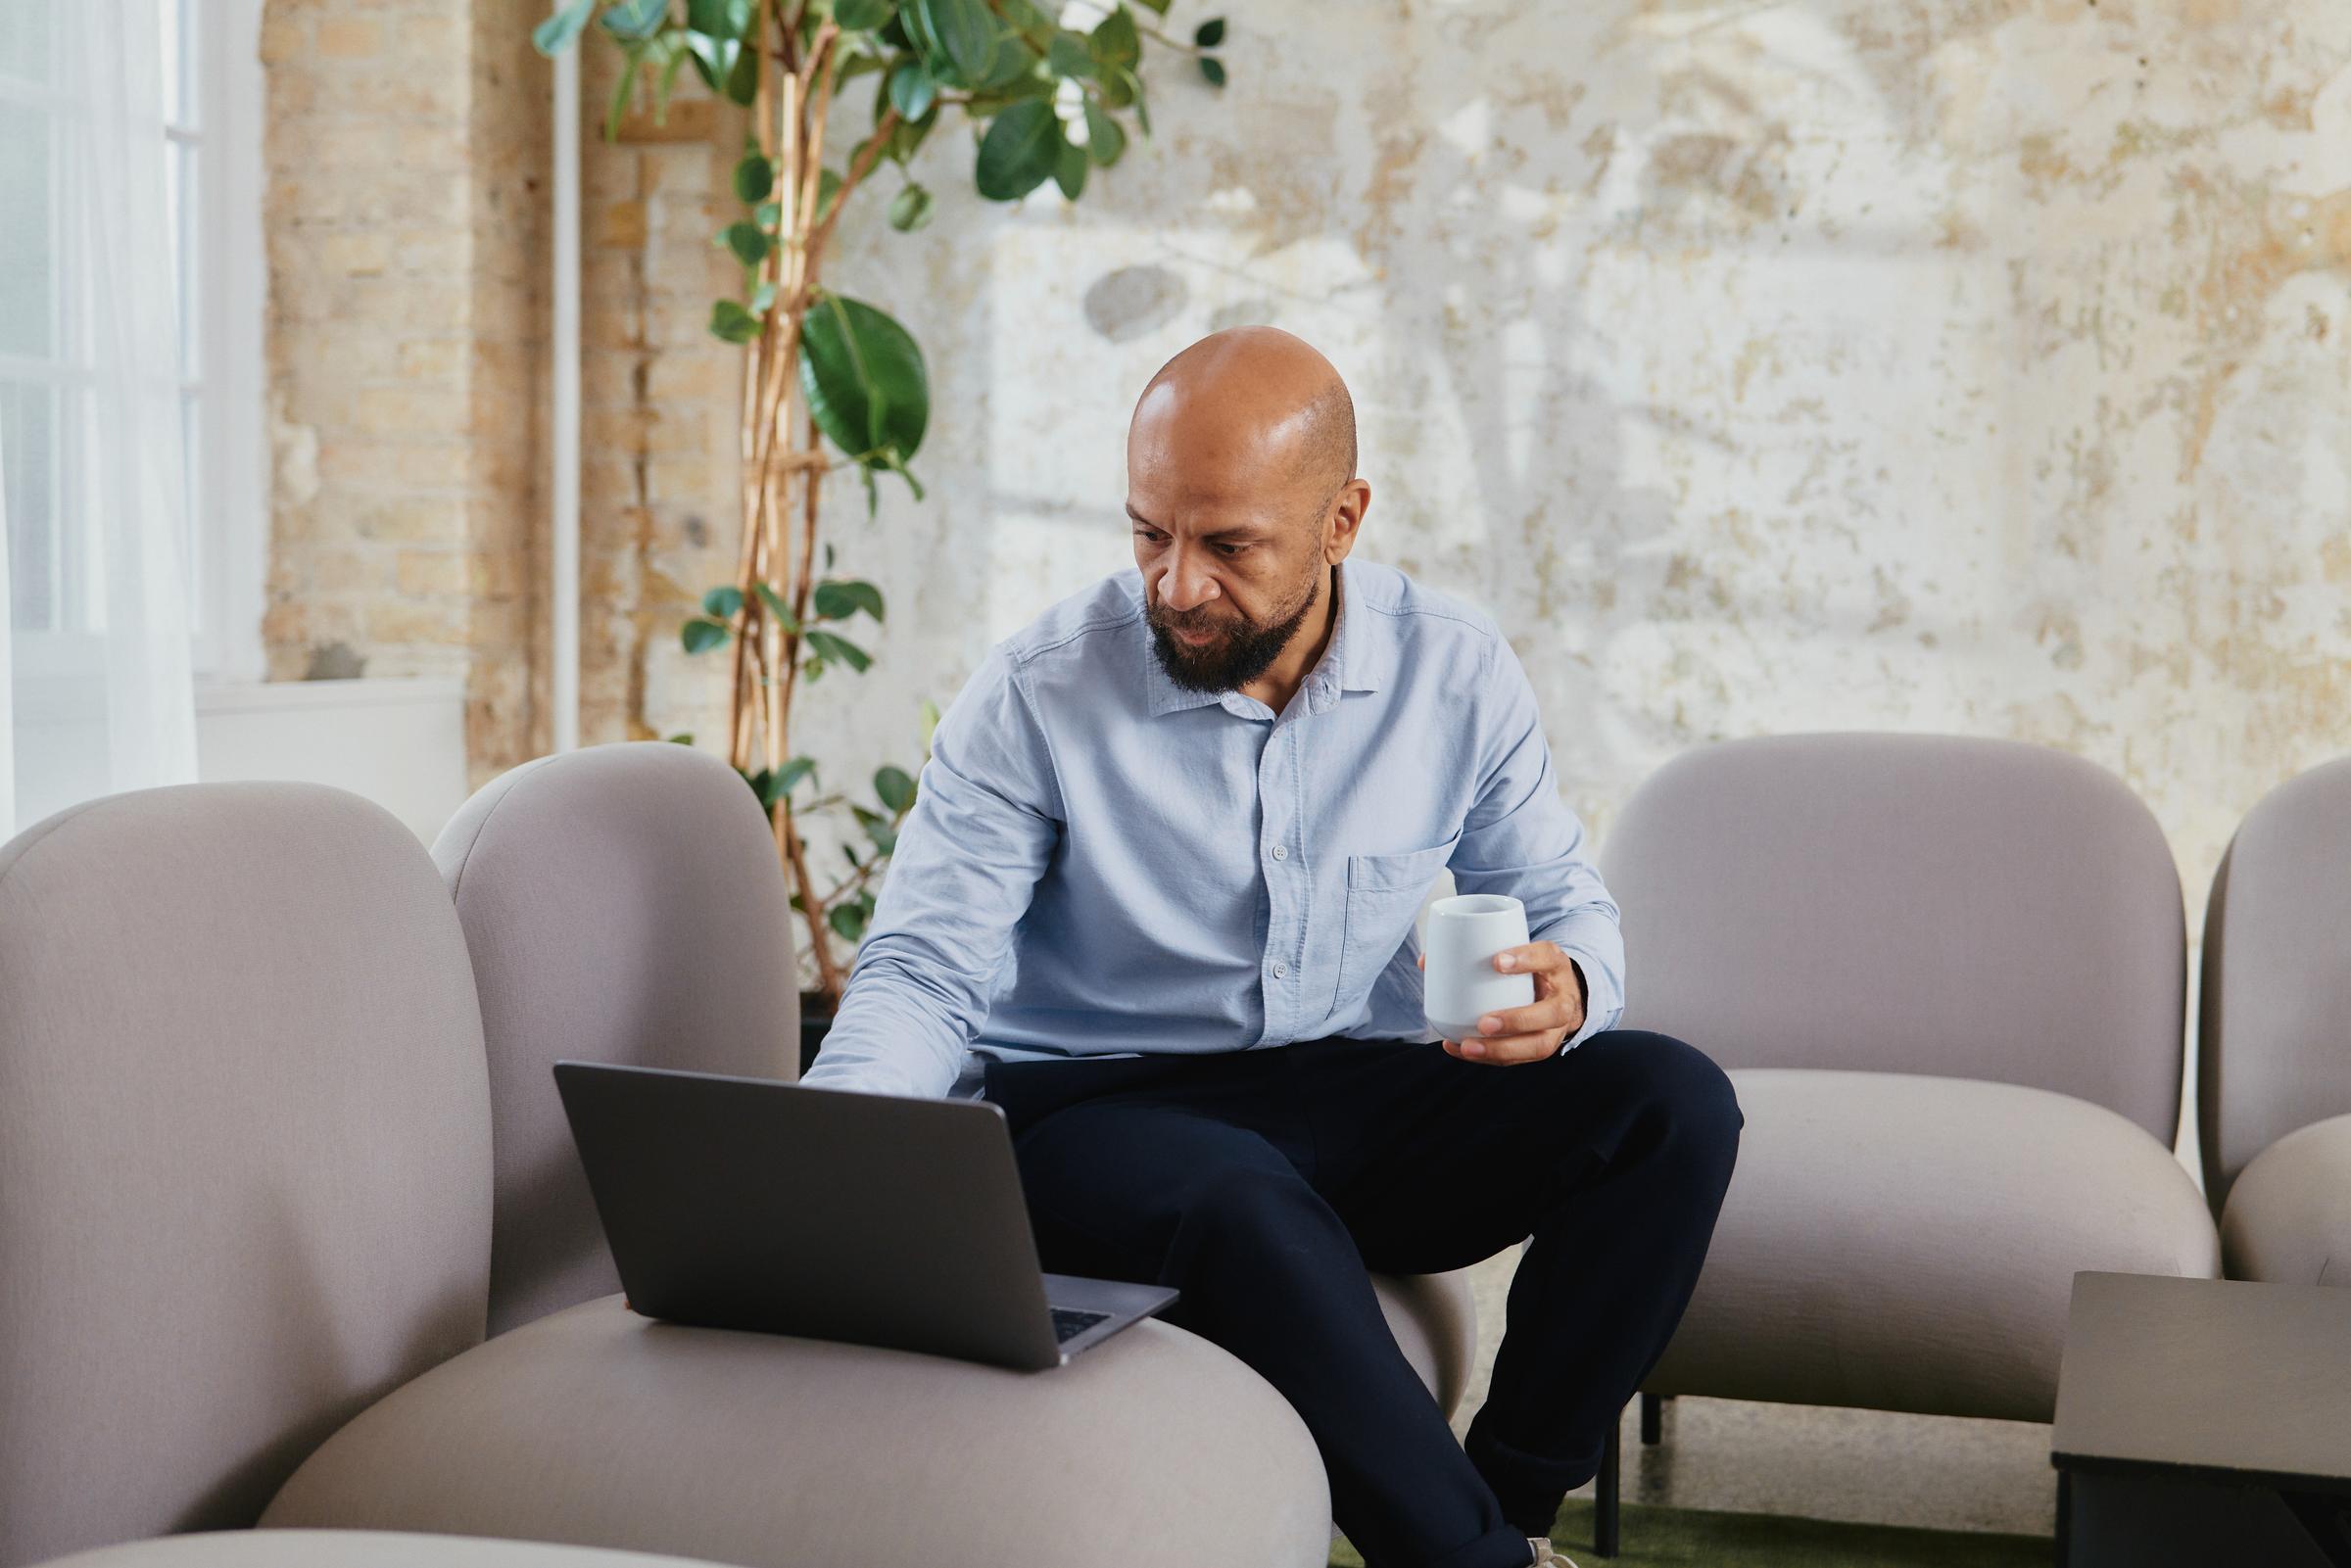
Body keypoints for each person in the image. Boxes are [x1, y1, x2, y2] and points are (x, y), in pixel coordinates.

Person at [801, 325, 1744, 1568]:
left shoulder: (1451, 672)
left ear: (1342, 520)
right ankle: (1477, 1563)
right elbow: (924, 968)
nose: (1177, 583)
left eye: (1227, 544)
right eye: (1149, 532)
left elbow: (1563, 899)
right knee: (1241, 1196)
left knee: (1672, 1102)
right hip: (1091, 1115)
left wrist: (1568, 985)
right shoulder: (1040, 688)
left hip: (1337, 1091)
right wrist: (825, 1162)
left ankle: (1511, 1502)